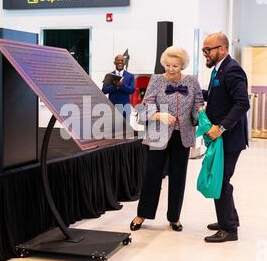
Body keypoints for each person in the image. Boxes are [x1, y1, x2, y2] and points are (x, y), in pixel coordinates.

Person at [130, 46, 204, 232]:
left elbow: (197, 103)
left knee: (178, 177)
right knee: (152, 175)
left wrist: (200, 113)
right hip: (158, 134)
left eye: (175, 66)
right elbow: (145, 105)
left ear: (182, 65)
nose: (171, 69)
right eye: (168, 65)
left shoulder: (192, 81)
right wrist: (159, 116)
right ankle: (142, 215)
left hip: (183, 135)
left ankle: (174, 217)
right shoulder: (156, 80)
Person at [201, 32, 250, 243]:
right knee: (222, 179)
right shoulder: (218, 70)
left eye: (208, 49)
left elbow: (242, 103)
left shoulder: (232, 70)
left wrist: (220, 128)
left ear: (222, 49)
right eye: (204, 49)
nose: (205, 53)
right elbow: (217, 98)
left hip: (229, 137)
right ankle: (229, 219)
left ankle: (229, 229)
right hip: (222, 137)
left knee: (220, 181)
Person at [102, 55, 135, 119]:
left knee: (125, 128)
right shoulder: (109, 75)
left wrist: (122, 85)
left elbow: (132, 90)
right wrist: (114, 86)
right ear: (114, 63)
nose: (120, 62)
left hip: (125, 109)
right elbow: (104, 90)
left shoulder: (130, 76)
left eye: (122, 60)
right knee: (112, 128)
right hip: (112, 107)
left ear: (124, 63)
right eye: (118, 60)